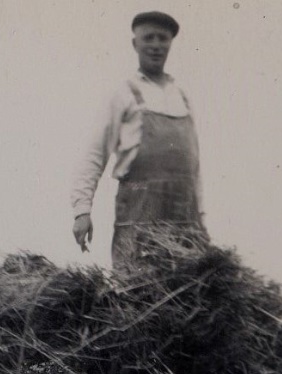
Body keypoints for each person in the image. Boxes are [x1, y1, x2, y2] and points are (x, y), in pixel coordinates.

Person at [71, 11, 208, 273]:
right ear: (135, 44)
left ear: (170, 43)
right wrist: (82, 211)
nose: (156, 45)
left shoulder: (182, 98)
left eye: (163, 39)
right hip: (139, 216)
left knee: (189, 298)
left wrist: (201, 218)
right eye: (149, 38)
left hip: (185, 222)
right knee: (137, 293)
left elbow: (195, 168)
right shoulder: (123, 94)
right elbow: (94, 154)